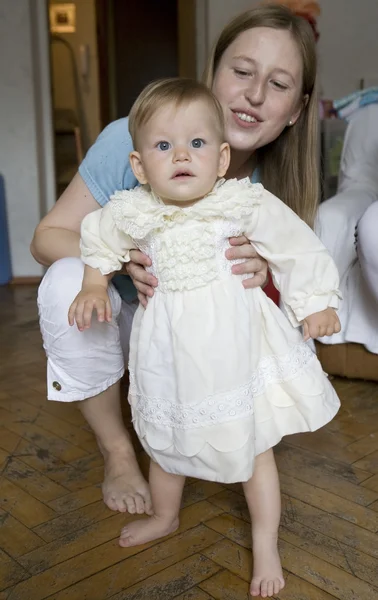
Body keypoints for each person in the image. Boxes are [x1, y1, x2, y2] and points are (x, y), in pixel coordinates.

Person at [30, 4, 321, 596]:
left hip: (223, 340)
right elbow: (57, 236)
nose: (256, 94)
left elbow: (299, 254)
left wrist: (277, 274)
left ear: (295, 111)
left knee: (248, 439)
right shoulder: (136, 147)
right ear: (213, 73)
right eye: (243, 70)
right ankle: (121, 455)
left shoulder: (256, 192)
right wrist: (110, 271)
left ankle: (263, 540)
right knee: (67, 286)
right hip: (150, 321)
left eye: (280, 84)